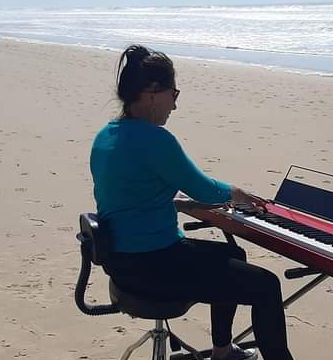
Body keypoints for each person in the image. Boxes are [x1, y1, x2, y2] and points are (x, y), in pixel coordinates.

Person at [89, 44, 295, 360]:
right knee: (266, 286)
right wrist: (237, 193)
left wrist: (173, 203)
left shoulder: (105, 136)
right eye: (175, 94)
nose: (175, 105)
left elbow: (126, 193)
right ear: (153, 92)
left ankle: (223, 352)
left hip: (122, 266)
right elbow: (205, 190)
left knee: (232, 253)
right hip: (157, 267)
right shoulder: (156, 139)